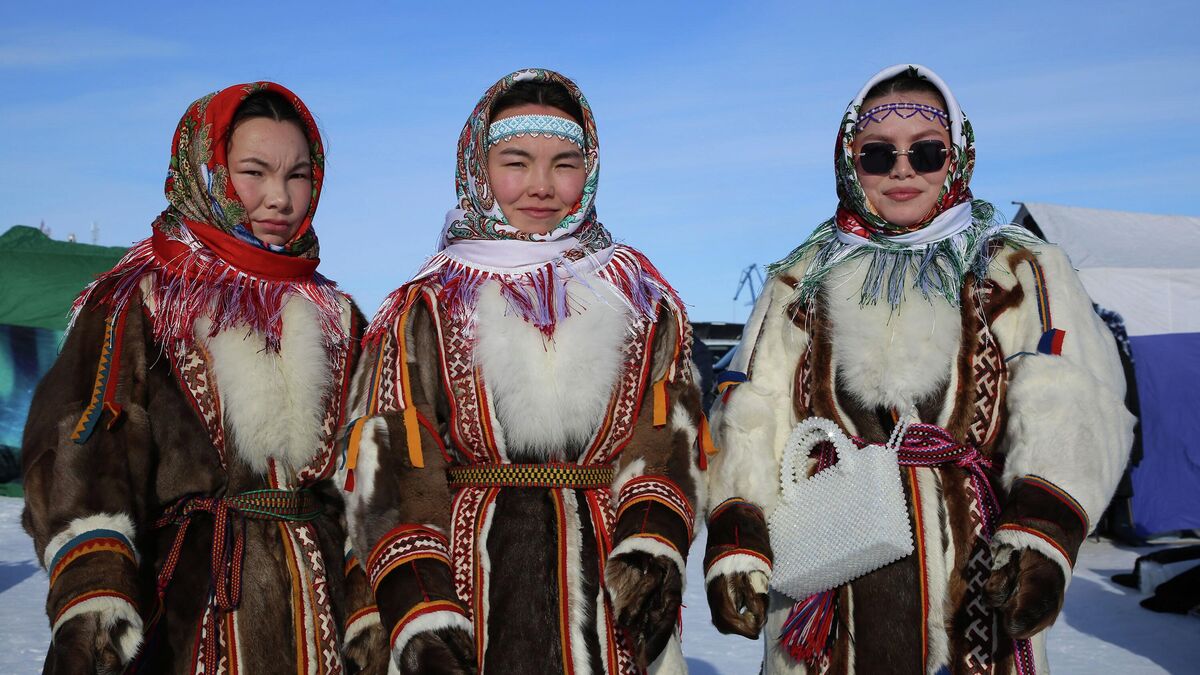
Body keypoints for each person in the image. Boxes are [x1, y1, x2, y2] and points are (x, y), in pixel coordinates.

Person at [703, 64, 1134, 674]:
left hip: (977, 569)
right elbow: (753, 412)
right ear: (850, 163)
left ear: (955, 160)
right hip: (829, 565)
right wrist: (739, 534)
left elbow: (1074, 400)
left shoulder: (1019, 266)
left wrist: (1044, 531)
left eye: (927, 152)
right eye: (878, 156)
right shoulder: (800, 281)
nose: (903, 170)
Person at [339, 68, 704, 675]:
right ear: (478, 168)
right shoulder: (428, 300)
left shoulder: (640, 297)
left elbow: (671, 424)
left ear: (590, 170)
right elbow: (397, 454)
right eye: (516, 161)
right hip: (469, 589)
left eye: (564, 163)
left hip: (608, 594)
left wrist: (650, 545)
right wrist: (422, 604)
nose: (540, 185)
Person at [21, 83, 386, 674]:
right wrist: (93, 593)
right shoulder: (140, 300)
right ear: (207, 171)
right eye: (253, 172)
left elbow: (370, 469)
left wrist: (372, 608)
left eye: (297, 175)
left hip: (322, 622)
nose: (279, 197)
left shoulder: (336, 317)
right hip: (187, 617)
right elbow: (78, 448)